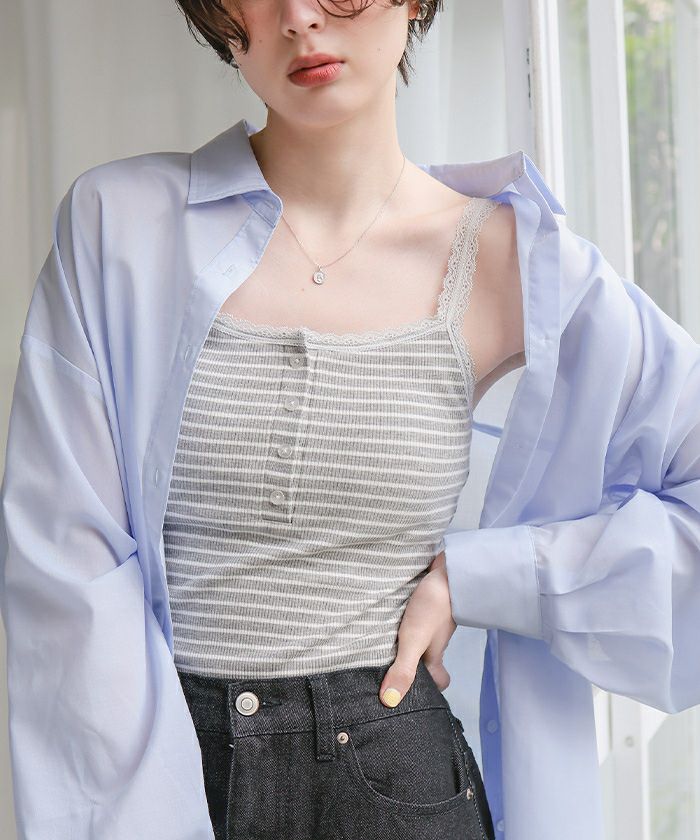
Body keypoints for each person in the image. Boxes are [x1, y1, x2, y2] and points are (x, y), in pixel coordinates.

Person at [2, 1, 700, 839]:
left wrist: (486, 576)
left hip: (396, 775)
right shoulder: (118, 225)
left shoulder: (515, 264)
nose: (301, 18)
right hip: (168, 772)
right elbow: (62, 561)